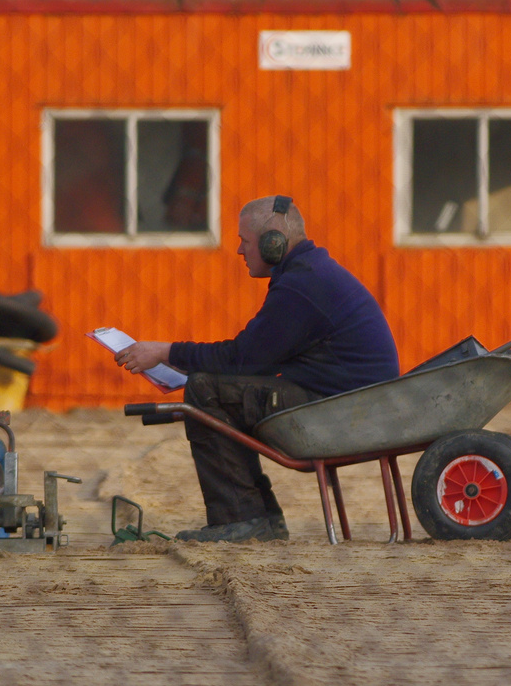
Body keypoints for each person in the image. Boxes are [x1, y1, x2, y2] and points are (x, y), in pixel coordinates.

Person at [116, 196, 399, 541]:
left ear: (273, 241)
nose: (239, 251)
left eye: (244, 241)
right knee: (218, 387)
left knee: (206, 390)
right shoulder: (309, 273)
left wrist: (165, 352)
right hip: (349, 404)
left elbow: (243, 359)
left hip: (340, 412)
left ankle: (244, 520)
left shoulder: (301, 285)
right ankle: (260, 518)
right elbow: (252, 361)